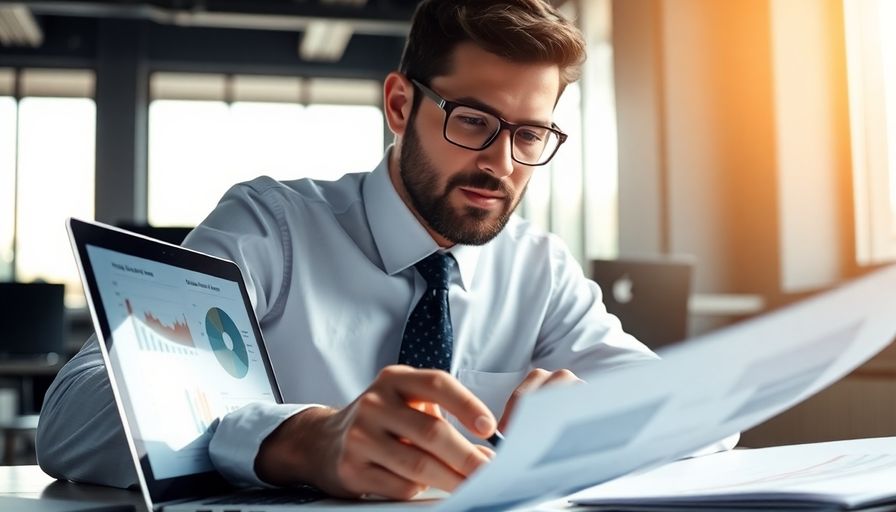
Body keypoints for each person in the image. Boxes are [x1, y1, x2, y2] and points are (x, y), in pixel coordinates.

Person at [38, 0, 731, 500]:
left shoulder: (537, 268)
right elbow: (71, 417)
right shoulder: (272, 227)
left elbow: (692, 413)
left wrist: (597, 418)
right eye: (473, 122)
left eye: (528, 136)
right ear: (400, 106)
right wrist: (301, 441)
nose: (501, 164)